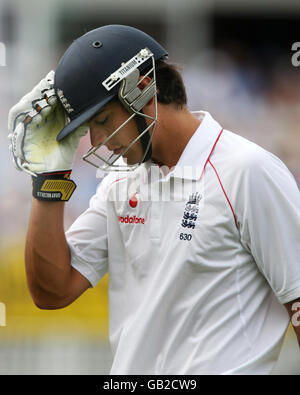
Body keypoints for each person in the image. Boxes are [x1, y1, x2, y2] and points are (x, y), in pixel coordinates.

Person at [7, 24, 300, 375]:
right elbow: (51, 292)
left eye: (102, 120)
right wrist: (48, 182)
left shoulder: (248, 170)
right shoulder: (119, 181)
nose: (98, 140)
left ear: (142, 87)